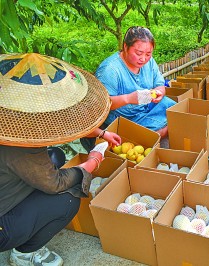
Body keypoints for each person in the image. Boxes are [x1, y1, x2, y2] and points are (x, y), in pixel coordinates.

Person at [0, 52, 120, 266]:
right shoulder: (20, 144)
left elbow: (64, 124)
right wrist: (91, 162)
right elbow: (56, 183)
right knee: (67, 199)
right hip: (3, 225)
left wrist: (101, 133)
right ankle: (24, 253)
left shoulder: (9, 118)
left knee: (55, 155)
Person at [95, 26, 176, 138]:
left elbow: (159, 84)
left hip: (148, 107)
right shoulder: (110, 70)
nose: (143, 59)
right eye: (138, 53)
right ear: (125, 47)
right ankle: (147, 136)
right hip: (126, 118)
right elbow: (102, 105)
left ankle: (154, 134)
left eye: (148, 54)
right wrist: (128, 99)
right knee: (159, 131)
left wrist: (159, 92)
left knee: (176, 111)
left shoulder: (149, 62)